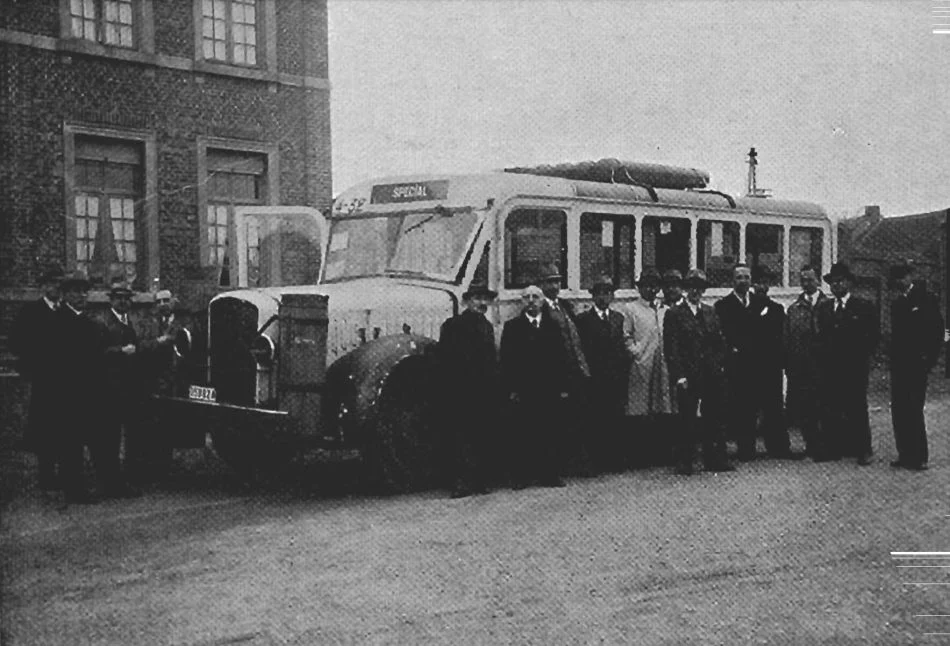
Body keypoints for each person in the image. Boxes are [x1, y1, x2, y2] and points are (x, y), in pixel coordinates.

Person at [663, 269, 734, 474]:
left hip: (711, 373)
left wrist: (719, 365)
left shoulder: (710, 312)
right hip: (689, 374)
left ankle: (716, 459)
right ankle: (685, 461)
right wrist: (679, 375)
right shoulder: (674, 313)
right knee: (687, 419)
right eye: (692, 287)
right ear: (686, 290)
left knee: (714, 417)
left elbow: (719, 342)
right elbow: (672, 348)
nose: (695, 291)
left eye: (699, 288)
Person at [500, 285, 571, 489]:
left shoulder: (553, 326)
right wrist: (512, 388)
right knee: (523, 433)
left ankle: (549, 475)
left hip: (548, 388)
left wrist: (562, 386)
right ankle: (521, 476)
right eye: (526, 297)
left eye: (535, 297)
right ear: (522, 302)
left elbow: (560, 358)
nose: (531, 301)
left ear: (542, 301)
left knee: (549, 431)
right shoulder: (512, 327)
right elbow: (507, 360)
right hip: (524, 389)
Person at [438, 283, 501, 497]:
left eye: (485, 299)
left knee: (480, 435)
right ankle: (461, 482)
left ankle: (479, 480)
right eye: (477, 299)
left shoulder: (487, 326)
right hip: (461, 391)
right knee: (460, 438)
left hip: (482, 391)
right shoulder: (453, 325)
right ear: (467, 301)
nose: (482, 303)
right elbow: (446, 361)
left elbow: (491, 361)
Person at [814, 262, 879, 465]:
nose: (836, 285)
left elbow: (873, 336)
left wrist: (863, 358)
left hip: (854, 367)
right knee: (831, 406)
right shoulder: (824, 309)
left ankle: (863, 450)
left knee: (856, 407)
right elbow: (820, 338)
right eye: (833, 282)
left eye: (840, 281)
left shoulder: (864, 306)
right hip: (830, 367)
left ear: (849, 283)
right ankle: (833, 447)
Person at [10, 265, 64, 493]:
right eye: (52, 284)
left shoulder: (65, 312)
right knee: (45, 429)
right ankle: (46, 476)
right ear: (44, 287)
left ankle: (64, 474)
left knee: (63, 428)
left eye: (59, 284)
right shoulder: (31, 311)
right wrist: (34, 363)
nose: (56, 288)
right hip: (42, 381)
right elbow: (16, 342)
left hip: (64, 380)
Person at [54, 271, 107, 504]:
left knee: (92, 437)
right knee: (71, 442)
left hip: (90, 389)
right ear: (65, 294)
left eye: (84, 291)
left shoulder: (89, 321)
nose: (81, 295)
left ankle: (93, 484)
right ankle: (73, 489)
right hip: (68, 391)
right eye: (75, 291)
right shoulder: (58, 321)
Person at [888, 262, 944, 471]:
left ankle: (919, 456)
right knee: (899, 410)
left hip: (917, 365)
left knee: (913, 409)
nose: (899, 282)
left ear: (910, 277)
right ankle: (904, 454)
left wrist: (928, 360)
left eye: (902, 277)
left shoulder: (926, 299)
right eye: (896, 279)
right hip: (899, 365)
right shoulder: (897, 303)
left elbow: (939, 331)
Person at [575, 276, 627, 472]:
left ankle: (613, 460)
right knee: (595, 421)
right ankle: (594, 462)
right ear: (593, 296)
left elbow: (621, 348)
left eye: (607, 293)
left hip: (614, 378)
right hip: (594, 378)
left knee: (614, 420)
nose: (603, 297)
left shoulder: (618, 318)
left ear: (612, 296)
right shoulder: (583, 320)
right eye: (599, 293)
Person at [95, 278, 143, 496]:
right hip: (109, 389)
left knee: (129, 436)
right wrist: (120, 351)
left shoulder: (130, 321)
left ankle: (124, 480)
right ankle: (110, 482)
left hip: (129, 388)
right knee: (109, 438)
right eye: (119, 299)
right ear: (111, 301)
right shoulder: (102, 323)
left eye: (126, 299)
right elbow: (97, 353)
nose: (123, 302)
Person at [622, 267, 673, 466]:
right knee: (640, 410)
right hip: (641, 365)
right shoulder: (631, 309)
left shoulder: (663, 309)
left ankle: (660, 453)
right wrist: (636, 353)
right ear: (639, 288)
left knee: (660, 408)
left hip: (661, 365)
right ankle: (640, 456)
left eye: (654, 286)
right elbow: (626, 337)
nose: (650, 290)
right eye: (646, 286)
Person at [749, 266, 800, 459]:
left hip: (772, 366)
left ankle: (778, 447)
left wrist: (784, 363)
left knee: (774, 408)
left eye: (764, 283)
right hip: (752, 366)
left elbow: (783, 338)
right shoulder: (748, 308)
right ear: (753, 286)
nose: (760, 287)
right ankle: (748, 448)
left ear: (769, 287)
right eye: (757, 283)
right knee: (750, 407)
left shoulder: (778, 310)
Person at [131, 288, 180, 485]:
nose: (162, 305)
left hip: (174, 383)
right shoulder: (147, 324)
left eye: (166, 301)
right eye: (158, 302)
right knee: (151, 427)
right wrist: (157, 343)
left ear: (173, 302)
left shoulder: (182, 323)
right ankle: (151, 470)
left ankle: (166, 470)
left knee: (169, 428)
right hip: (152, 382)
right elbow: (141, 346)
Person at [714, 264, 759, 460]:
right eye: (739, 277)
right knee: (733, 406)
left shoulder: (758, 303)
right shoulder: (723, 305)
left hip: (753, 363)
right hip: (733, 363)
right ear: (732, 281)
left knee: (751, 406)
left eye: (746, 277)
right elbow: (719, 335)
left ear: (751, 280)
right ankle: (730, 447)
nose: (743, 281)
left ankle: (748, 448)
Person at [784, 264, 828, 459]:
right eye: (803, 280)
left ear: (818, 281)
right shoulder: (794, 309)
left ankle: (826, 446)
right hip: (802, 367)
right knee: (805, 409)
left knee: (824, 408)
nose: (806, 283)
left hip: (823, 367)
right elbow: (788, 339)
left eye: (810, 279)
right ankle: (811, 445)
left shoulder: (827, 306)